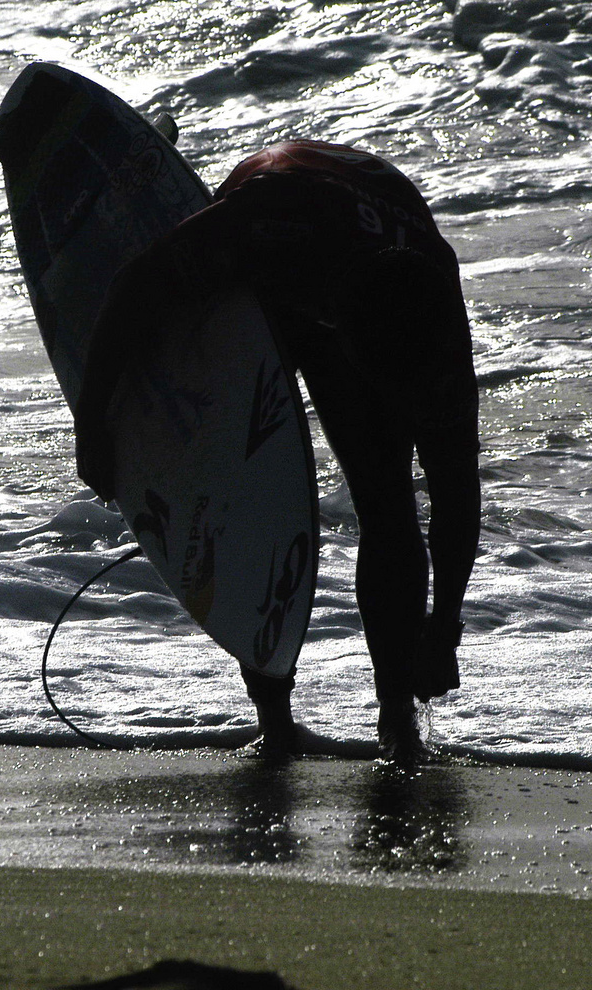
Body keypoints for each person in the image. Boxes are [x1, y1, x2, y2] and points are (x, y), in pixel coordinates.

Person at [73, 140, 480, 765]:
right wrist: (94, 426)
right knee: (252, 477)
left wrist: (444, 628)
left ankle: (398, 717)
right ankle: (275, 719)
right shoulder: (268, 224)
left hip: (379, 257)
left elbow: (457, 494)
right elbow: (137, 285)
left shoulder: (438, 315)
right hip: (277, 254)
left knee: (388, 495)